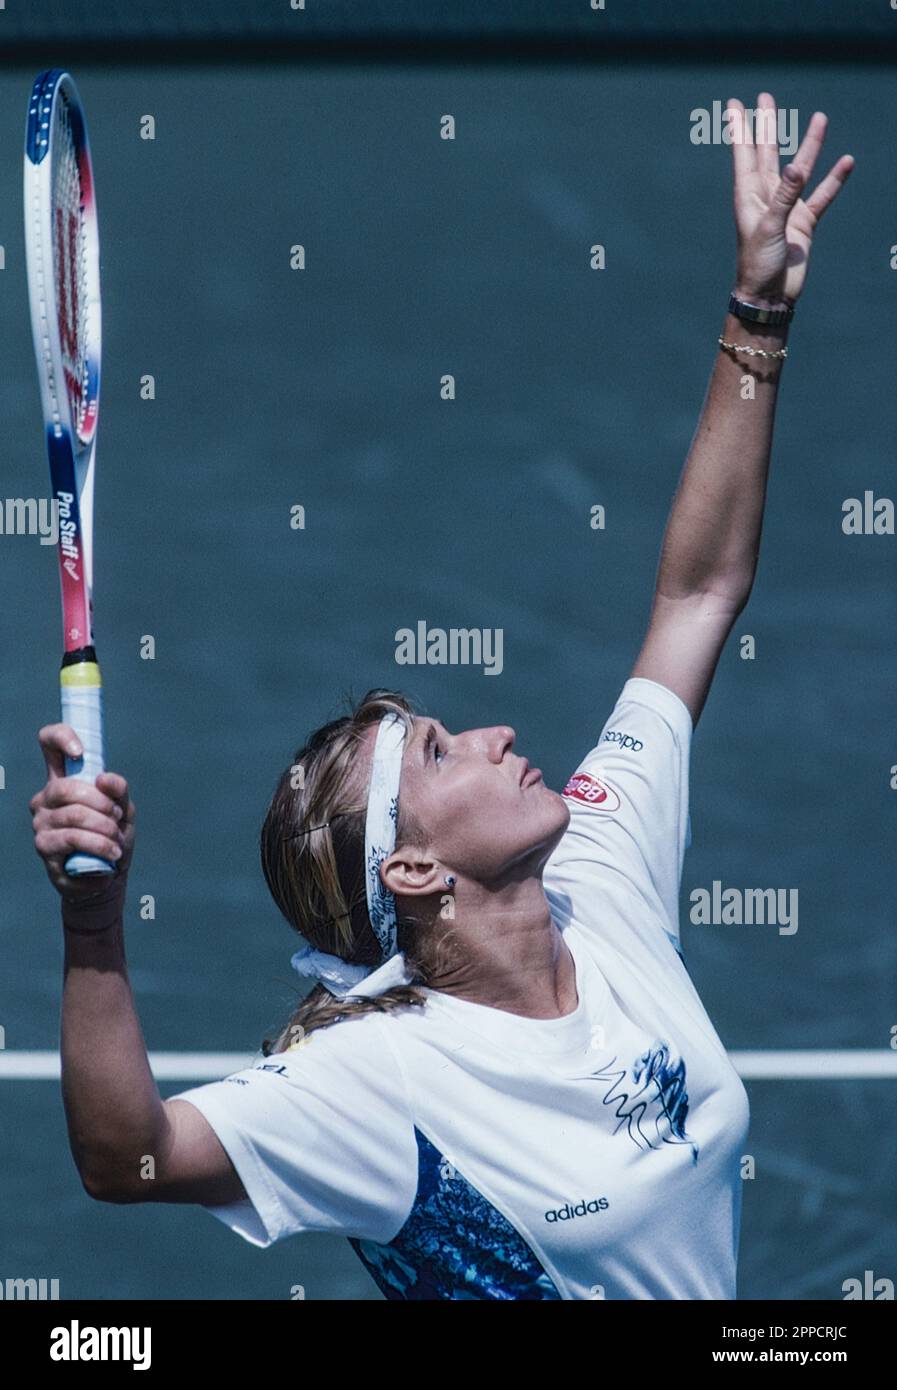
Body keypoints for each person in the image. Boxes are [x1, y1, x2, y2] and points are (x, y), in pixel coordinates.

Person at [30, 94, 852, 1300]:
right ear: (412, 872)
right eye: (438, 749)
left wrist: (760, 310)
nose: (500, 731)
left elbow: (696, 596)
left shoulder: (599, 876)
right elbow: (130, 1154)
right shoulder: (381, 1087)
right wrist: (94, 932)